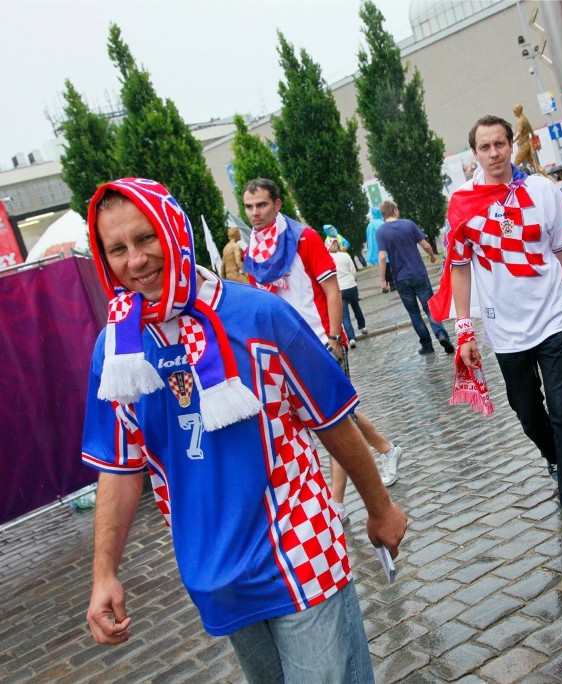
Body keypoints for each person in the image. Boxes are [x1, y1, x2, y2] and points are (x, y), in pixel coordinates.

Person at [81, 178, 407, 682]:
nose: (136, 260)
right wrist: (104, 572)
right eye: (117, 249)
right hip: (214, 571)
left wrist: (379, 507)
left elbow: (332, 419)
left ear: (174, 231)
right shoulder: (115, 351)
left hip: (300, 549)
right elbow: (122, 468)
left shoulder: (259, 313)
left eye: (146, 239)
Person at [432, 114, 562, 541]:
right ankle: (554, 456)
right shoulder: (462, 202)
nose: (494, 153)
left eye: (500, 144)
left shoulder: (542, 190)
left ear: (512, 145)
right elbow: (460, 268)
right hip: (504, 330)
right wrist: (465, 331)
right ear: (474, 153)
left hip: (553, 320)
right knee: (527, 412)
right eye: (485, 146)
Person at [242, 179, 403, 501]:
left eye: (261, 205)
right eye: (249, 207)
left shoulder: (305, 237)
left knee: (332, 419)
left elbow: (332, 290)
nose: (255, 213)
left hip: (319, 340)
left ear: (277, 204)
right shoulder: (253, 253)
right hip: (283, 350)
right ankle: (387, 448)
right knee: (339, 415)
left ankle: (337, 502)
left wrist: (333, 338)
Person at [377, 200, 454, 356]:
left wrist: (383, 280)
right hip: (418, 273)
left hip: (400, 278)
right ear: (394, 210)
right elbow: (425, 245)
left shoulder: (380, 232)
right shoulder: (408, 224)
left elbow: (382, 256)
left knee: (414, 313)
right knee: (430, 307)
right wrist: (432, 256)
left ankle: (426, 345)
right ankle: (441, 334)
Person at [327, 236, 367, 349]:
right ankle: (362, 326)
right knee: (356, 306)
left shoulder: (328, 258)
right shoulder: (345, 255)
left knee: (345, 315)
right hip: (351, 285)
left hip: (339, 288)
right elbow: (353, 271)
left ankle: (351, 338)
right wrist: (353, 280)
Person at [512, 104, 546, 175]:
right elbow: (532, 131)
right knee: (533, 163)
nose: (514, 112)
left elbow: (518, 133)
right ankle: (544, 173)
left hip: (523, 145)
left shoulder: (520, 121)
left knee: (515, 163)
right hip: (528, 143)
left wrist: (511, 141)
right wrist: (536, 142)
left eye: (515, 110)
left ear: (518, 110)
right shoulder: (525, 119)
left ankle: (513, 180)